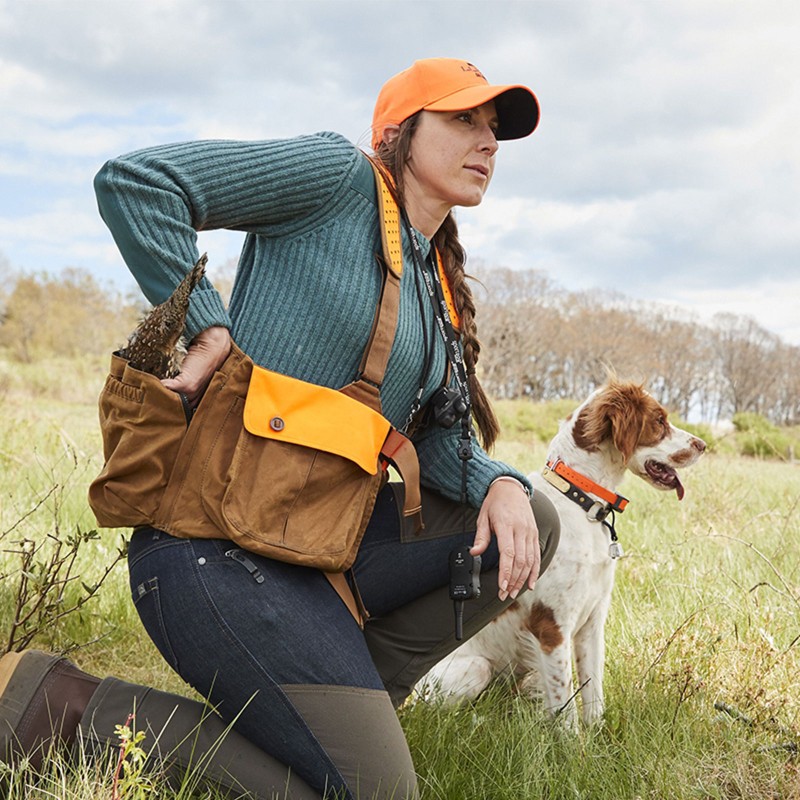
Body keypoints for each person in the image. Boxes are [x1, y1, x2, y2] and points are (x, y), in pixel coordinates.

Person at [0, 58, 560, 799]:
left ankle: (343, 696)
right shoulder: (336, 175)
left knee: (536, 520)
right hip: (212, 551)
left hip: (313, 548)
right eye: (463, 119)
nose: (487, 141)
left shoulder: (431, 282)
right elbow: (137, 184)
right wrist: (210, 330)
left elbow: (427, 447)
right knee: (377, 795)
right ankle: (63, 709)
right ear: (398, 133)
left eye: (494, 129)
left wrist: (507, 487)